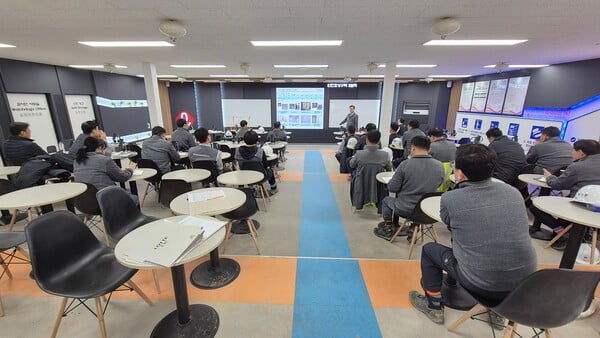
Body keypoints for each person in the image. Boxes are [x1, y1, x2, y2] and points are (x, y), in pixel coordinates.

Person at [409, 144, 537, 325]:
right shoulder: (513, 193)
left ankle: (434, 305)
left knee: (430, 250)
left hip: (480, 282)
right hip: (524, 284)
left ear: (459, 174)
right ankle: (499, 309)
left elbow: (449, 224)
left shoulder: (451, 199)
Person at [529, 139, 600, 247]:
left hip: (581, 205)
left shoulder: (577, 167)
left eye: (573, 150)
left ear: (581, 152)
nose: (571, 153)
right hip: (596, 208)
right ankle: (573, 233)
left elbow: (558, 185)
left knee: (535, 206)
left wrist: (549, 177)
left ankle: (561, 232)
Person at [374, 136, 445, 240]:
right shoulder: (439, 166)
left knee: (386, 201)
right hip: (427, 211)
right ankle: (413, 227)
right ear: (429, 149)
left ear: (413, 148)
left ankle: (388, 229)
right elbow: (438, 184)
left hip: (405, 209)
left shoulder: (405, 165)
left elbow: (392, 188)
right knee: (417, 205)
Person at [73, 136, 138, 204]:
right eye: (104, 149)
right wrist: (130, 169)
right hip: (104, 200)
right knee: (134, 198)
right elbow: (123, 177)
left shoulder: (77, 161)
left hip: (83, 203)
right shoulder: (104, 160)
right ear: (100, 148)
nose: (105, 152)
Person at [235, 131, 278, 195]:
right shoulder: (260, 151)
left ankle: (251, 187)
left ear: (244, 140)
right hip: (260, 176)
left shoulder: (237, 151)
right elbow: (265, 166)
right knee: (270, 170)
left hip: (244, 176)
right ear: (256, 140)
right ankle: (273, 188)